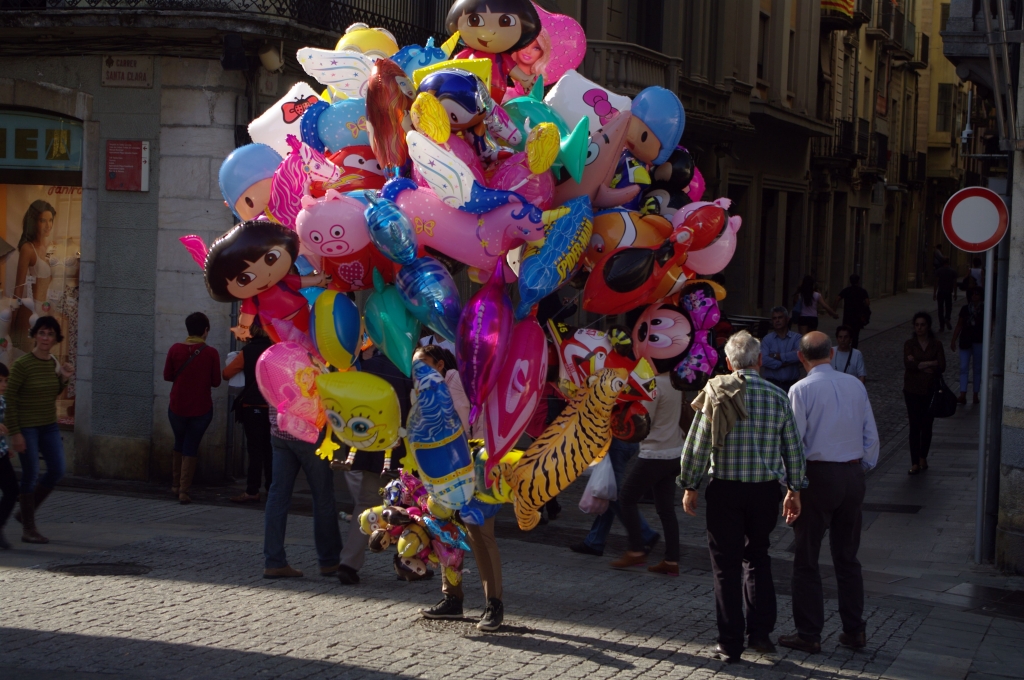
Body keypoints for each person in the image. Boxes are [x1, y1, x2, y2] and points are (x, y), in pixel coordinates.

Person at [679, 331, 806, 662]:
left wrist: (690, 484)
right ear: (760, 360)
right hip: (764, 490)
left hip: (726, 489)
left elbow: (697, 444)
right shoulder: (778, 396)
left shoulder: (716, 392)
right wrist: (794, 489)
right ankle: (760, 634)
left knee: (725, 565)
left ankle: (730, 642)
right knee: (758, 557)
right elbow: (793, 448)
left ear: (728, 362)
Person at [778, 332, 879, 654]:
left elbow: (794, 442)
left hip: (818, 475)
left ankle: (809, 633)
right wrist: (861, 467)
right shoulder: (855, 385)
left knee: (807, 556)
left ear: (800, 356)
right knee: (847, 556)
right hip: (851, 473)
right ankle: (854, 629)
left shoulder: (801, 389)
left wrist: (791, 485)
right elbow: (870, 434)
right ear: (831, 354)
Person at [335, 344, 413, 585]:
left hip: (368, 450)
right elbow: (411, 412)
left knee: (365, 505)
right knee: (407, 509)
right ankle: (407, 563)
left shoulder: (365, 368)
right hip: (399, 452)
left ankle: (348, 562)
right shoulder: (405, 371)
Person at [610, 371, 684, 575]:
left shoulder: (653, 385)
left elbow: (643, 420)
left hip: (655, 452)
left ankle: (636, 550)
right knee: (666, 509)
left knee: (626, 498)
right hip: (674, 450)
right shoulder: (674, 381)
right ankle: (671, 560)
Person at [9, 316, 74, 543]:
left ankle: (24, 512)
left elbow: (51, 393)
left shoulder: (52, 363)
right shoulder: (22, 364)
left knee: (57, 469)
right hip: (27, 427)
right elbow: (10, 398)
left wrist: (64, 378)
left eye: (50, 334)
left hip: (49, 426)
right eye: (42, 333)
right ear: (35, 335)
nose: (46, 338)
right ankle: (29, 529)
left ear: (56, 339)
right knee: (31, 474)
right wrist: (15, 433)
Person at [263, 408, 342, 579]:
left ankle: (274, 562)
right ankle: (329, 561)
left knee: (277, 496)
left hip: (280, 429)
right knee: (323, 496)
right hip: (310, 431)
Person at [163, 312, 222, 504]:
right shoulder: (211, 353)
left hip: (177, 406)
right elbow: (216, 382)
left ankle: (175, 485)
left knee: (179, 442)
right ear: (205, 331)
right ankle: (184, 490)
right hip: (201, 408)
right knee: (191, 445)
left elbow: (167, 376)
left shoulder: (175, 349)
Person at [569, 435, 660, 557]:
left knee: (610, 492)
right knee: (608, 493)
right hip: (628, 440)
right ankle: (595, 541)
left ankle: (645, 533)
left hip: (616, 441)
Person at [223, 323, 272, 503]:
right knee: (271, 450)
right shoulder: (276, 350)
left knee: (255, 450)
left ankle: (252, 490)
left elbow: (227, 374)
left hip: (252, 406)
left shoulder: (247, 351)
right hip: (273, 406)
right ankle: (272, 489)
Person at [903, 312, 946, 475]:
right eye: (917, 325)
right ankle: (914, 462)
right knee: (914, 425)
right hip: (912, 390)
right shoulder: (910, 344)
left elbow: (941, 365)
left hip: (930, 390)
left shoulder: (936, 344)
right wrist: (929, 363)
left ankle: (923, 457)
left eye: (922, 325)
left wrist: (919, 363)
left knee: (927, 425)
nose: (919, 328)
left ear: (928, 326)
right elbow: (909, 365)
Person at [13, 201, 56, 350]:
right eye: (43, 220)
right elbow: (19, 287)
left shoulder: (52, 246)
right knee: (27, 354)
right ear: (34, 222)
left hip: (49, 308)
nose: (48, 225)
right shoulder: (28, 249)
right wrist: (12, 320)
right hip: (32, 309)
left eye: (50, 220)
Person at [951, 287, 984, 405]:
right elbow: (959, 325)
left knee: (977, 368)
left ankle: (975, 394)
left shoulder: (984, 309)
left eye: (977, 294)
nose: (974, 296)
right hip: (965, 341)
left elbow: (989, 325)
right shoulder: (965, 309)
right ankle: (963, 393)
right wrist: (953, 339)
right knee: (963, 367)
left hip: (979, 341)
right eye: (973, 294)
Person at [760, 306, 802, 391]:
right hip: (772, 384)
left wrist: (776, 356)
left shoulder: (797, 338)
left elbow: (799, 355)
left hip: (792, 385)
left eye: (780, 317)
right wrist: (782, 364)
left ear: (787, 319)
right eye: (774, 318)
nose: (777, 320)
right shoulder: (767, 339)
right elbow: (763, 359)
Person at [0, 363, 15, 550]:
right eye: (0, 381)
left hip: (1, 453)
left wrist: (5, 446)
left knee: (11, 490)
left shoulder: (2, 400)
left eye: (6, 381)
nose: (4, 385)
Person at [835, 274, 871, 348]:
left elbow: (837, 299)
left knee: (846, 333)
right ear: (858, 281)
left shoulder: (846, 290)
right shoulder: (862, 291)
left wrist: (834, 310)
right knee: (856, 335)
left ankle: (845, 347)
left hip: (847, 316)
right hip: (857, 317)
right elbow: (867, 303)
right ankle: (853, 350)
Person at [932, 258, 959, 332]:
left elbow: (936, 283)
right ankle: (947, 318)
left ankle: (942, 326)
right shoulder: (953, 271)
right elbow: (955, 284)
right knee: (948, 307)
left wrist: (934, 293)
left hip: (940, 291)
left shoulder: (939, 271)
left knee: (940, 309)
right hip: (948, 292)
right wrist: (955, 294)